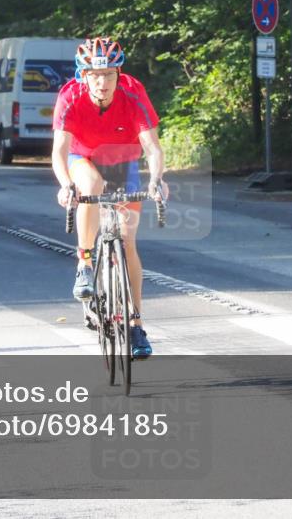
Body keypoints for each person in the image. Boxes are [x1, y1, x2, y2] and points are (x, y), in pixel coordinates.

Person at [51, 37, 168, 360]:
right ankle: (85, 263)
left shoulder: (133, 93)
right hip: (83, 159)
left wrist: (157, 179)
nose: (102, 83)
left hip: (123, 161)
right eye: (95, 76)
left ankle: (135, 325)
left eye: (109, 76)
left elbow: (153, 148)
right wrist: (65, 185)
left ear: (119, 74)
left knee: (128, 240)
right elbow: (59, 151)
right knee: (89, 185)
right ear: (83, 76)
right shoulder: (70, 97)